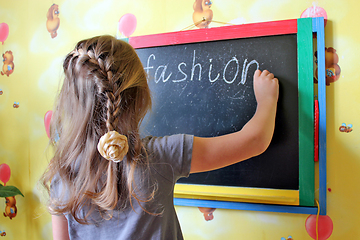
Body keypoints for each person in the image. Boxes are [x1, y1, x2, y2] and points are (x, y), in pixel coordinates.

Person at [41, 35, 278, 240]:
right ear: (140, 97)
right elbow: (255, 140)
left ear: (70, 103)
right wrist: (267, 99)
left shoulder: (63, 177)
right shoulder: (160, 157)